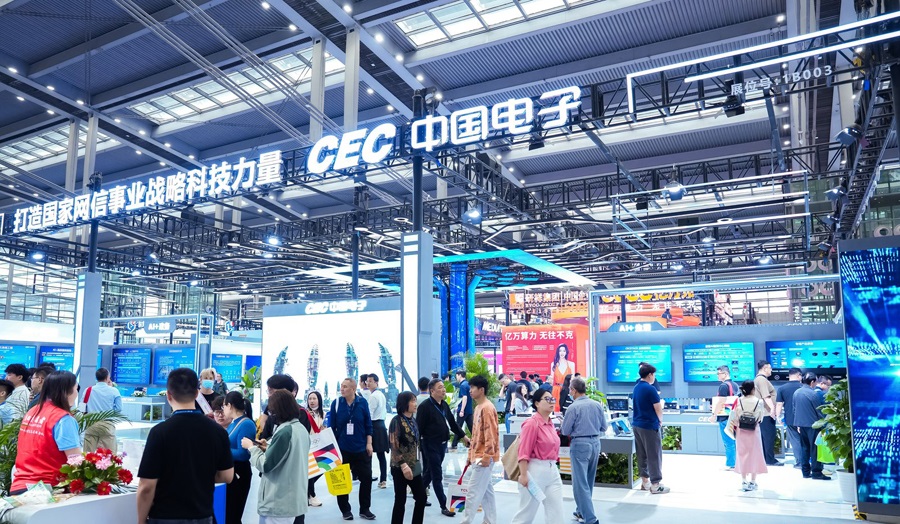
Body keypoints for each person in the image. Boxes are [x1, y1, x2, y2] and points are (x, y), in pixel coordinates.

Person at [137, 368, 234, 524]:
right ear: (197, 393)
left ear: (168, 395)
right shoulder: (217, 431)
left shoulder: (159, 432)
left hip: (164, 516)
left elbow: (146, 486)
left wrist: (141, 521)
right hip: (202, 516)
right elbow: (227, 476)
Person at [243, 390, 310, 524]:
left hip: (279, 501)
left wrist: (251, 448)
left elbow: (265, 465)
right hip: (294, 499)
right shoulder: (300, 429)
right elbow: (290, 455)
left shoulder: (285, 432)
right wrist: (268, 447)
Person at [10, 371, 82, 494]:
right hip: (48, 490)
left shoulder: (33, 411)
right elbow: (75, 460)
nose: (76, 393)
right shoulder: (63, 419)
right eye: (76, 389)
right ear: (66, 391)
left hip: (20, 488)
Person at [417, 378, 469, 517]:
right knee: (437, 474)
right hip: (430, 445)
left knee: (429, 473)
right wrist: (418, 447)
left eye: (443, 387)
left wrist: (464, 436)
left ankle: (419, 494)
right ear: (432, 391)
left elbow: (452, 423)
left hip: (442, 445)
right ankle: (444, 505)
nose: (443, 390)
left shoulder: (444, 404)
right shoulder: (425, 407)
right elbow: (419, 429)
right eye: (440, 387)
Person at [510, 388, 563, 524]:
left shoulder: (550, 423)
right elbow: (523, 451)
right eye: (547, 399)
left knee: (556, 512)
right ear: (537, 403)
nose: (551, 402)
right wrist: (523, 475)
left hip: (552, 470)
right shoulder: (531, 424)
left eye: (552, 399)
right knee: (526, 514)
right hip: (535, 470)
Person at [561, 376, 608, 524]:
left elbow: (565, 430)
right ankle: (581, 511)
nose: (570, 392)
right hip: (595, 443)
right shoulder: (597, 405)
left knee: (580, 484)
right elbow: (604, 427)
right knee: (588, 481)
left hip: (580, 445)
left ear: (574, 390)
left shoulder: (573, 407)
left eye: (570, 390)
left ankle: (591, 519)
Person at [329, 377, 376, 521]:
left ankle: (365, 509)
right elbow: (331, 427)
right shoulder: (337, 403)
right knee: (342, 480)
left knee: (366, 479)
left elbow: (368, 425)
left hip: (361, 448)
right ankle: (345, 510)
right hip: (342, 449)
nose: (342, 389)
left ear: (353, 389)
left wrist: (369, 443)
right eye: (342, 386)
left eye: (345, 386)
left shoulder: (362, 403)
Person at [459, 375, 498, 524]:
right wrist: (470, 455)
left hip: (483, 457)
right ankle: (490, 520)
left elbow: (491, 434)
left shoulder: (487, 408)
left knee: (472, 492)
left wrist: (487, 456)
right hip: (478, 455)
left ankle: (466, 522)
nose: (470, 391)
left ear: (481, 390)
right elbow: (475, 434)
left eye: (472, 388)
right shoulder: (478, 408)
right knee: (487, 493)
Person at [389, 391, 427, 524]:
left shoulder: (413, 421)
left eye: (415, 400)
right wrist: (403, 465)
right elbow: (393, 445)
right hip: (400, 466)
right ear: (404, 403)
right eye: (412, 401)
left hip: (414, 465)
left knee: (421, 497)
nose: (415, 404)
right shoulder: (396, 421)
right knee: (400, 500)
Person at [632, 363, 669, 494]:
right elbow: (658, 408)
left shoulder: (636, 387)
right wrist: (660, 421)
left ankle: (645, 482)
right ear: (650, 375)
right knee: (654, 455)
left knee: (641, 454)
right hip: (649, 426)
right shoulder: (650, 389)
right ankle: (655, 484)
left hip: (637, 425)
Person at [728, 379, 768, 491]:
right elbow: (760, 418)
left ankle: (744, 481)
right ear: (753, 389)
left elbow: (734, 416)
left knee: (742, 455)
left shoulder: (738, 400)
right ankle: (753, 481)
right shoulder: (759, 401)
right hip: (754, 431)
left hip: (741, 431)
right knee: (755, 455)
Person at [224, 391, 256, 524]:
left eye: (224, 406)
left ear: (230, 405)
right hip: (231, 471)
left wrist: (222, 451)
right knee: (228, 515)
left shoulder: (246, 424)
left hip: (240, 473)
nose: (223, 410)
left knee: (233, 515)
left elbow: (243, 454)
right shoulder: (233, 423)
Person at [793, 372, 830, 481]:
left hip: (801, 425)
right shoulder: (812, 394)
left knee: (804, 448)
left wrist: (798, 424)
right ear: (812, 382)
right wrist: (823, 424)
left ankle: (805, 472)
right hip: (813, 425)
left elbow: (794, 409)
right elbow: (818, 411)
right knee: (815, 449)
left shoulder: (796, 392)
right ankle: (816, 472)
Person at [84, 367, 123, 452]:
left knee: (88, 453)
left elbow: (82, 407)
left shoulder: (88, 390)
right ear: (107, 377)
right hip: (107, 424)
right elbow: (119, 409)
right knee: (109, 454)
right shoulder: (114, 391)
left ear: (96, 377)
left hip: (91, 424)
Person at [708, 365, 740, 471]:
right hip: (734, 416)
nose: (717, 376)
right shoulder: (735, 385)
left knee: (728, 442)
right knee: (734, 441)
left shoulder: (723, 386)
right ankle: (736, 462)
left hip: (725, 418)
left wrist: (714, 415)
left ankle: (731, 464)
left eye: (719, 373)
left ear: (725, 374)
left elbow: (721, 401)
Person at [774, 368, 804, 468]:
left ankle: (799, 462)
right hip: (805, 418)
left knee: (795, 441)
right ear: (799, 375)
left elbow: (779, 404)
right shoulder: (804, 387)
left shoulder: (782, 388)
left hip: (790, 418)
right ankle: (807, 461)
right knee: (806, 440)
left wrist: (778, 416)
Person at [754, 360, 781, 466]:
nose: (771, 370)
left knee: (765, 437)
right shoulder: (761, 380)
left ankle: (765, 459)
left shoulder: (759, 379)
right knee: (768, 437)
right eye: (770, 368)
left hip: (763, 413)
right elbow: (766, 396)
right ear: (765, 368)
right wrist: (772, 409)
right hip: (766, 414)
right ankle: (769, 460)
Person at [367, 373, 390, 489]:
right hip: (381, 425)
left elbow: (369, 414)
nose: (368, 383)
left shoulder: (373, 396)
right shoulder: (381, 394)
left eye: (370, 381)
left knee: (369, 453)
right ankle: (383, 479)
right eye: (367, 381)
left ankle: (368, 477)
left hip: (374, 425)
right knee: (381, 455)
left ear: (376, 382)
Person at [305, 390, 325, 507]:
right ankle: (312, 495)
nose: (311, 401)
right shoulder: (305, 414)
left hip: (321, 446)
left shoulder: (324, 414)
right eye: (310, 399)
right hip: (308, 445)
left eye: (314, 398)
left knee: (322, 469)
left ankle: (307, 492)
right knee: (310, 471)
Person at [451, 370, 472, 452]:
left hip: (463, 410)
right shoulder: (468, 384)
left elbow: (464, 397)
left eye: (456, 375)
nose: (456, 377)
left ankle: (454, 444)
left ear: (459, 375)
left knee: (458, 427)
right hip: (469, 410)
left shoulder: (462, 385)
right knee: (472, 427)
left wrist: (462, 410)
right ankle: (478, 441)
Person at [550, 344, 575, 411]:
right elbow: (552, 380)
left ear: (566, 352)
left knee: (567, 409)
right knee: (556, 410)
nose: (562, 353)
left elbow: (573, 380)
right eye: (560, 351)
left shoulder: (571, 364)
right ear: (558, 352)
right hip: (556, 390)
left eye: (564, 351)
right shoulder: (553, 364)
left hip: (567, 390)